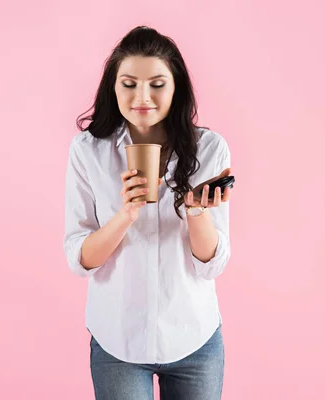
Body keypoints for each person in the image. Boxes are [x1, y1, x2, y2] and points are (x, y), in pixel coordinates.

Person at [62, 26, 232, 400]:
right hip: (118, 341)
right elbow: (80, 259)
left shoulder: (209, 149)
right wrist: (125, 213)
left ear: (176, 88)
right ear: (113, 87)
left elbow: (210, 265)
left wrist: (195, 212)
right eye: (129, 83)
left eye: (157, 84)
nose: (142, 97)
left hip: (193, 337)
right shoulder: (88, 151)